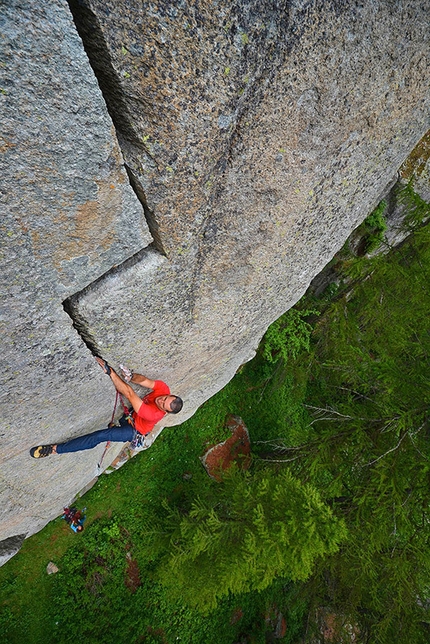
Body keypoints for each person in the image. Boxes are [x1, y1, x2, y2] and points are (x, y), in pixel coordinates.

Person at [30, 357, 183, 458]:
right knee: (113, 426)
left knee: (100, 436)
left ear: (165, 411)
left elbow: (129, 393)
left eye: (163, 405)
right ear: (170, 395)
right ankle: (114, 427)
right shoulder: (164, 390)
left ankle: (55, 449)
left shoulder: (154, 414)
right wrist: (131, 376)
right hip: (130, 416)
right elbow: (146, 381)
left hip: (133, 430)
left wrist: (111, 372)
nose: (161, 400)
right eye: (164, 399)